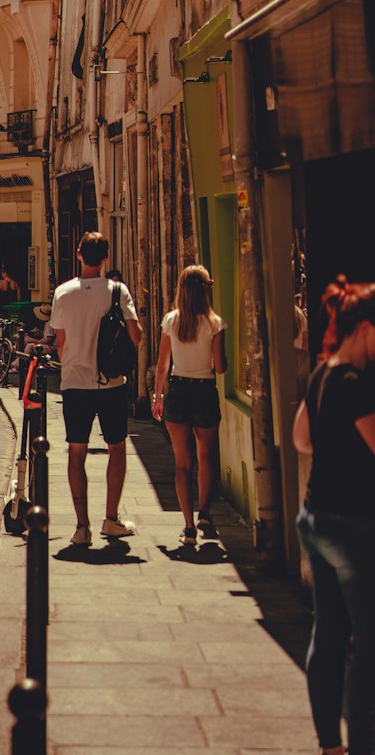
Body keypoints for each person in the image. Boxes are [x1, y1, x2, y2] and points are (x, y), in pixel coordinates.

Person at [291, 276, 375, 755]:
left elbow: (303, 439)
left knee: (327, 635)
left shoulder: (323, 375)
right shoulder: (355, 383)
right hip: (352, 522)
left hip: (315, 518)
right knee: (367, 642)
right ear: (365, 328)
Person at [49, 231, 143, 545]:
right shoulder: (117, 291)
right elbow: (136, 337)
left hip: (75, 382)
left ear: (79, 255)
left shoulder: (63, 293)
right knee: (116, 448)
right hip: (111, 384)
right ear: (105, 258)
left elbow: (60, 345)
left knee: (77, 452)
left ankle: (81, 526)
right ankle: (111, 519)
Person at [152, 265, 227, 547]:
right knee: (206, 457)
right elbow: (220, 368)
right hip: (204, 390)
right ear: (205, 289)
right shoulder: (215, 323)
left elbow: (163, 364)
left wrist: (158, 397)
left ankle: (187, 526)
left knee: (182, 464)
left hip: (179, 390)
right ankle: (204, 515)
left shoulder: (171, 321)